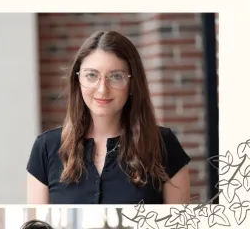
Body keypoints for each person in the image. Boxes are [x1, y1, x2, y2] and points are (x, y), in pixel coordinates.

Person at [27, 31, 190, 205]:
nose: (102, 89)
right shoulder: (46, 148)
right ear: (77, 80)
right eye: (91, 75)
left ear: (133, 83)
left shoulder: (163, 145)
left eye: (116, 76)